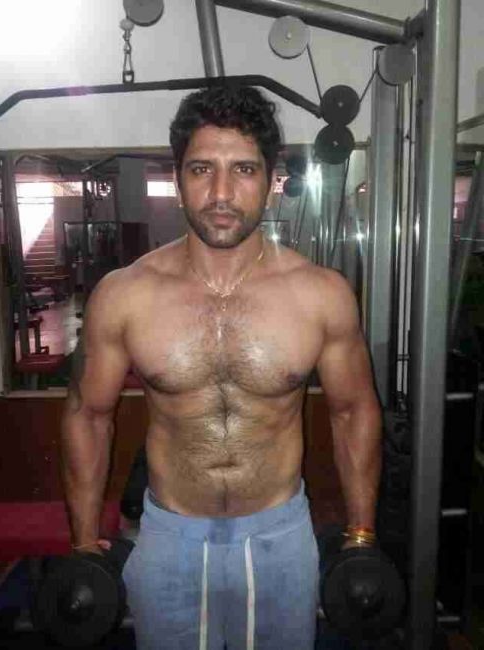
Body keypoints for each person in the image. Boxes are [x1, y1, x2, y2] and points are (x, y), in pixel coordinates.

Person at [61, 84, 382, 650]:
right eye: (202, 169)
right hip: (169, 539)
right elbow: (88, 414)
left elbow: (353, 411)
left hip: (281, 537)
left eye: (244, 170)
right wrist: (85, 542)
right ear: (177, 179)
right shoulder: (125, 294)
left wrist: (360, 534)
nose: (221, 193)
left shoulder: (321, 294)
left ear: (272, 181)